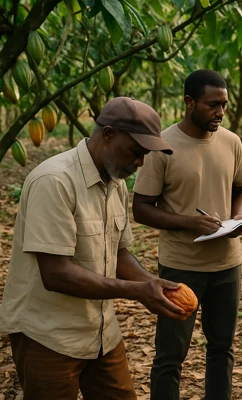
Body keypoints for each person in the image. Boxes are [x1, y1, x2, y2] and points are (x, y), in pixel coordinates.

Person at [0, 97, 189, 400]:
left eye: (145, 155)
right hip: (48, 335)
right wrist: (136, 292)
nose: (141, 162)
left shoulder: (115, 181)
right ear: (109, 134)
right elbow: (56, 274)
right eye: (136, 152)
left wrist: (149, 282)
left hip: (100, 332)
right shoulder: (55, 181)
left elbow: (119, 253)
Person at [132, 69, 242, 400]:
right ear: (189, 102)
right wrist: (189, 222)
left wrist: (239, 214)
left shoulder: (231, 142)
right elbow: (141, 208)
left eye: (224, 105)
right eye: (212, 105)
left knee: (221, 348)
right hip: (181, 266)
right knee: (171, 355)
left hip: (227, 266)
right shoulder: (163, 147)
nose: (220, 112)